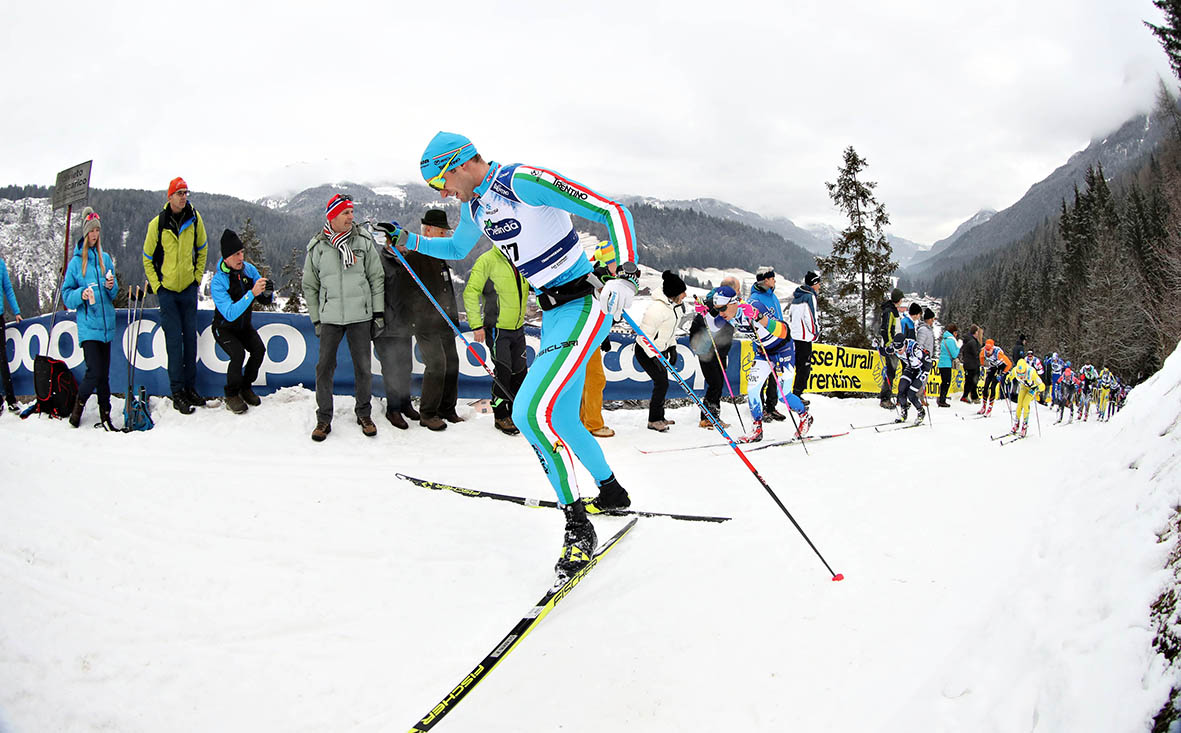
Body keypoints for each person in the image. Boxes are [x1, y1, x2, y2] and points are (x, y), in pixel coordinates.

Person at [384, 131, 640, 582]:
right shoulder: (476, 206)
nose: (443, 193)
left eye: (440, 181)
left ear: (460, 163)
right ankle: (612, 491)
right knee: (560, 418)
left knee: (527, 412)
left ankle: (578, 526)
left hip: (584, 305)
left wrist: (627, 273)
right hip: (556, 314)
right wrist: (408, 240)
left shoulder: (522, 181)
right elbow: (458, 249)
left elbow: (611, 210)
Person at [303, 193, 385, 441]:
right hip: (330, 318)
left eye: (351, 212)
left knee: (363, 367)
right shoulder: (318, 247)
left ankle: (364, 413)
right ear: (332, 217)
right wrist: (317, 318)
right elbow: (310, 285)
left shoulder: (363, 241)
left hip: (360, 316)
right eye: (346, 213)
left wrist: (378, 313)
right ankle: (323, 419)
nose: (351, 217)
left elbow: (376, 278)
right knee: (324, 368)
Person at [142, 177, 209, 414]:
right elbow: (147, 258)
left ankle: (190, 388)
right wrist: (158, 287)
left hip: (188, 290)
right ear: (169, 196)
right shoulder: (158, 224)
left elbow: (202, 248)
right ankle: (177, 392)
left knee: (191, 341)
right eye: (179, 193)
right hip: (168, 293)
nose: (183, 197)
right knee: (174, 343)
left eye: (185, 193)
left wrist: (197, 279)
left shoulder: (194, 217)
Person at [464, 239, 531, 436]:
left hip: (518, 327)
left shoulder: (521, 260)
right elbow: (470, 292)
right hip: (498, 328)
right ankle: (501, 416)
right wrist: (476, 325)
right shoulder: (487, 260)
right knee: (503, 373)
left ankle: (517, 414)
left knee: (520, 374)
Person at [405, 210, 464, 431]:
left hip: (445, 321)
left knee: (452, 364)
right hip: (425, 323)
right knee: (437, 364)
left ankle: (447, 409)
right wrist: (415, 317)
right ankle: (428, 413)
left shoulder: (440, 256)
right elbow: (407, 293)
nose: (446, 235)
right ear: (428, 230)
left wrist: (454, 319)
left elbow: (446, 289)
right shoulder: (414, 257)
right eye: (442, 232)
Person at [62, 209, 118, 430]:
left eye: (97, 230)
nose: (95, 234)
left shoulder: (105, 259)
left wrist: (111, 287)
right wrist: (81, 295)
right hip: (88, 326)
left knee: (103, 376)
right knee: (94, 372)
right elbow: (67, 295)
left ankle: (106, 415)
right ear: (85, 233)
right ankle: (79, 406)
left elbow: (113, 294)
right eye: (91, 230)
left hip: (106, 326)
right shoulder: (76, 263)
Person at [732, 296, 812, 443]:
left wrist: (758, 316)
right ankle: (757, 429)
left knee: (784, 395)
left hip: (783, 350)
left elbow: (781, 329)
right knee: (753, 390)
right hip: (763, 353)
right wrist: (706, 313)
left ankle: (805, 416)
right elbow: (716, 321)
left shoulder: (753, 305)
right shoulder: (729, 315)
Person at [211, 229, 273, 414]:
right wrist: (251, 293)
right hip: (224, 328)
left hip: (244, 326)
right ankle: (231, 394)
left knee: (259, 350)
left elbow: (263, 299)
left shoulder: (248, 269)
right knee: (237, 355)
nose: (240, 258)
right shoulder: (218, 282)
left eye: (242, 252)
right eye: (236, 254)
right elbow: (230, 313)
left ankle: (246, 387)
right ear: (226, 258)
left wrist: (267, 291)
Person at [373, 223, 419, 430]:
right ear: (390, 242)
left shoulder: (407, 262)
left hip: (404, 324)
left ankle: (405, 402)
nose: (405, 247)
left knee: (405, 367)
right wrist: (378, 318)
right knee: (391, 369)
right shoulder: (379, 261)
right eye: (401, 243)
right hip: (386, 326)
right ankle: (393, 408)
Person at [636, 271, 688, 432]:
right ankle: (653, 420)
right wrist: (654, 356)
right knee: (662, 382)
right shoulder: (656, 309)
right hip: (646, 351)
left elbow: (670, 332)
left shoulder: (676, 308)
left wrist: (672, 347)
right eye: (682, 292)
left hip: (661, 350)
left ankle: (660, 416)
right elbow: (644, 337)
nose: (685, 295)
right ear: (673, 294)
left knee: (662, 383)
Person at [689, 278, 741, 428]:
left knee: (717, 383)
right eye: (737, 290)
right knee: (715, 383)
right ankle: (708, 417)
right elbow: (700, 324)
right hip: (709, 350)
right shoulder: (714, 304)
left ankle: (711, 415)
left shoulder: (726, 303)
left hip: (720, 350)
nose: (738, 294)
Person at [580, 242, 618, 438]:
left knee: (586, 380)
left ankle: (582, 420)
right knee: (595, 379)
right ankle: (593, 424)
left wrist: (604, 336)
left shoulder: (600, 277)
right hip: (587, 336)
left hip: (590, 335)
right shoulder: (600, 279)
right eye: (615, 262)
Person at [749, 266, 786, 421]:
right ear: (766, 280)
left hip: (777, 343)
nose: (775, 280)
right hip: (763, 344)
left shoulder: (773, 296)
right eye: (772, 278)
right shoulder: (756, 299)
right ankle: (760, 407)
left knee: (774, 377)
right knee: (762, 377)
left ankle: (771, 406)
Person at [787, 270, 821, 404]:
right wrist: (815, 333)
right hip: (804, 337)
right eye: (818, 283)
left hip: (795, 335)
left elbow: (791, 315)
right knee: (804, 368)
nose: (819, 286)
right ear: (813, 284)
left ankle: (793, 394)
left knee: (796, 366)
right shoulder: (809, 297)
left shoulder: (797, 296)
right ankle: (796, 394)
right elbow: (811, 317)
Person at [887, 331, 931, 425]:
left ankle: (921, 411)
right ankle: (904, 412)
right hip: (911, 367)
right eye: (896, 350)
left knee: (911, 394)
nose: (899, 351)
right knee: (901, 389)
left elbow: (928, 363)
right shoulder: (895, 346)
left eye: (900, 349)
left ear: (905, 344)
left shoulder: (915, 349)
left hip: (921, 369)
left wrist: (924, 374)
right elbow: (886, 351)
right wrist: (877, 346)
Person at [877, 287, 905, 409]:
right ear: (898, 299)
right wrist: (890, 345)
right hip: (891, 347)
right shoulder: (889, 311)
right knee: (890, 373)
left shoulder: (893, 310)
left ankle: (887, 397)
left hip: (896, 346)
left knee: (892, 372)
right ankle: (885, 398)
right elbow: (886, 329)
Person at [0, 252, 21, 412]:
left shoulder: (0, 264)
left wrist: (16, 311)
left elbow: (8, 288)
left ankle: (11, 398)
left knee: (2, 359)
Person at [1005, 356, 1045, 437]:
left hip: (1032, 388)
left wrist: (1037, 388)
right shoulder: (1015, 370)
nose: (1021, 376)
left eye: (1022, 374)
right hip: (1023, 387)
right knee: (1019, 405)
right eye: (1019, 374)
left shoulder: (1031, 372)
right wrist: (1007, 380)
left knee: (1025, 404)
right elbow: (1009, 376)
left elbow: (1042, 385)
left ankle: (1024, 426)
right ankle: (1016, 424)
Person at [977, 338, 1013, 416]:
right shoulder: (983, 352)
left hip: (1001, 367)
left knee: (993, 386)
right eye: (986, 350)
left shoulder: (998, 353)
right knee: (985, 386)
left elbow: (1009, 364)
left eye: (989, 350)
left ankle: (990, 408)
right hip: (993, 366)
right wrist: (982, 366)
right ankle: (983, 407)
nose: (988, 352)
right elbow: (981, 358)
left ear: (992, 348)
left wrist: (1003, 373)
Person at [935, 322, 960, 407]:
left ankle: (941, 398)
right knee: (946, 382)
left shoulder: (944, 339)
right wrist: (959, 347)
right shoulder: (951, 340)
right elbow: (954, 354)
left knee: (944, 382)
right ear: (953, 332)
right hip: (947, 364)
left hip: (942, 363)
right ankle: (942, 400)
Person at [959, 324, 982, 404]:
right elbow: (976, 353)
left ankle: (973, 396)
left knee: (971, 380)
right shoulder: (972, 342)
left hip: (968, 363)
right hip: (972, 364)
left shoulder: (968, 340)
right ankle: (967, 396)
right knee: (972, 381)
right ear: (975, 332)